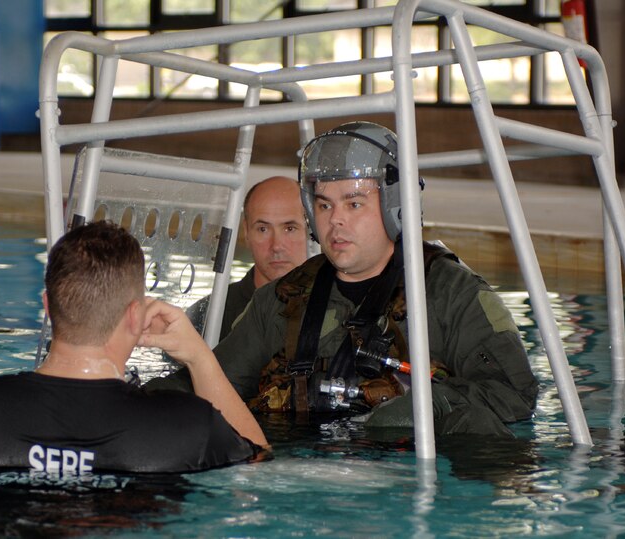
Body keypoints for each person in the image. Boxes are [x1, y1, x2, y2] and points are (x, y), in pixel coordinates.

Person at [146, 121, 539, 437]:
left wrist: (429, 406)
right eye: (323, 205)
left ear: (393, 206)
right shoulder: (284, 299)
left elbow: (513, 393)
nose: (335, 220)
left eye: (354, 203)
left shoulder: (452, 294)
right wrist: (131, 402)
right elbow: (215, 384)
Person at [0, 220, 268, 473]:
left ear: (48, 307)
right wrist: (200, 358)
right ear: (136, 315)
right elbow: (259, 464)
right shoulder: (189, 426)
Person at [187, 175, 309, 340]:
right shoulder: (208, 316)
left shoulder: (336, 306)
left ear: (310, 230)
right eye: (263, 229)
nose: (277, 246)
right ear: (246, 232)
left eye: (290, 228)